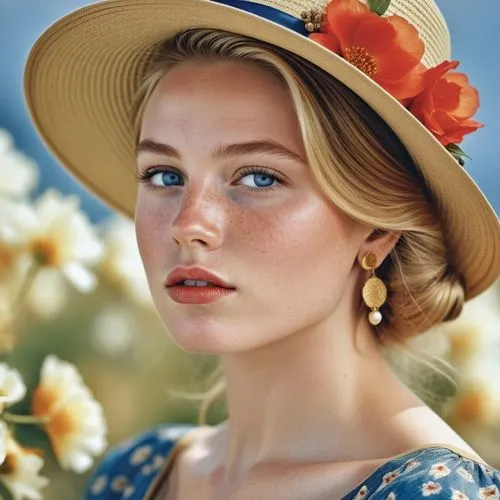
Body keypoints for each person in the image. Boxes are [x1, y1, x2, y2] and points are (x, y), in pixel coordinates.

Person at [24, 0, 500, 498]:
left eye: (258, 177)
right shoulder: (136, 475)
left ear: (377, 227)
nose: (189, 226)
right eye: (164, 175)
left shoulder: (434, 492)